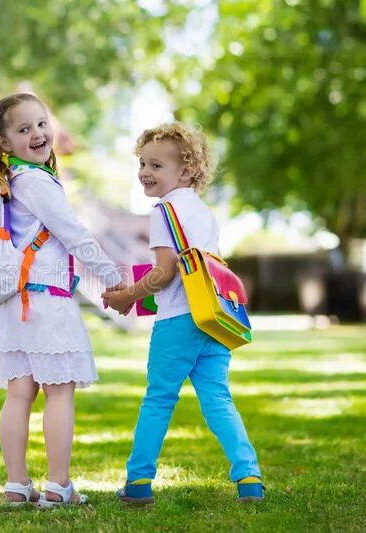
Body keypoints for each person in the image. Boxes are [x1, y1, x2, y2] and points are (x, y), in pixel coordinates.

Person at [0, 93, 125, 507]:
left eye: (42, 123)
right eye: (24, 129)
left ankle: (16, 485)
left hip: (14, 303)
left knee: (18, 393)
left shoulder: (8, 182)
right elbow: (73, 234)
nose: (39, 133)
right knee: (60, 391)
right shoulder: (36, 182)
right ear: (3, 142)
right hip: (44, 302)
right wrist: (113, 278)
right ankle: (58, 486)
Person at [102, 122, 264, 504]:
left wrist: (128, 296)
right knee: (218, 399)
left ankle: (138, 483)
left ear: (186, 170)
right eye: (142, 163)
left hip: (178, 320)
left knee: (158, 398)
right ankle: (249, 478)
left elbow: (164, 272)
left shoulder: (164, 211)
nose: (144, 172)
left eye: (156, 165)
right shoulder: (203, 211)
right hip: (214, 320)